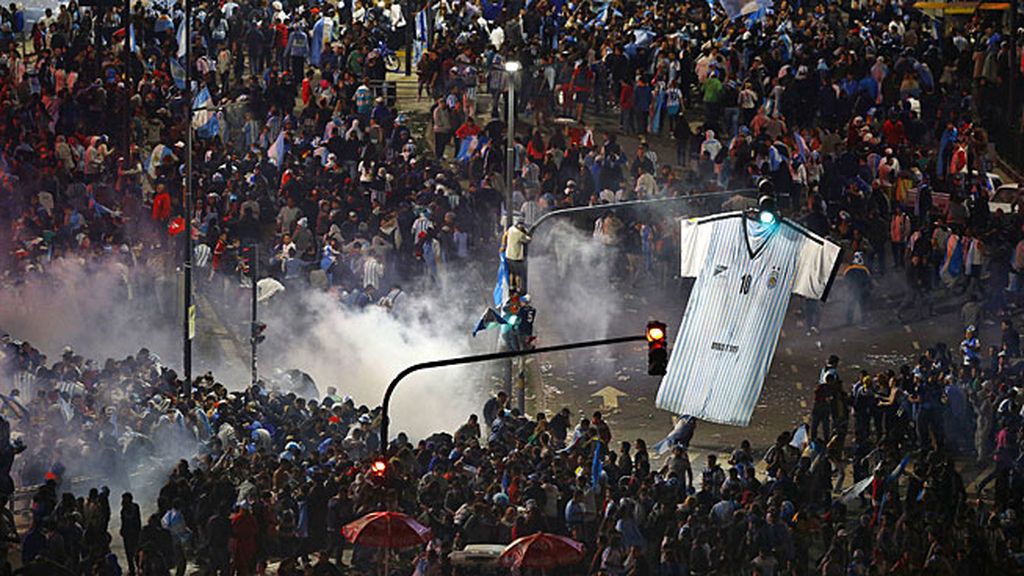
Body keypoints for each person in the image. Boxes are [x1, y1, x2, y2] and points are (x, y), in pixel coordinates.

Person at [120, 493, 142, 576]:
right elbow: (123, 522)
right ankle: (131, 569)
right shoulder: (123, 510)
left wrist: (139, 531)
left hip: (135, 533)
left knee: (136, 551)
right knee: (128, 553)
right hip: (127, 534)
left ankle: (139, 567)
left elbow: (138, 520)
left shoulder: (135, 507)